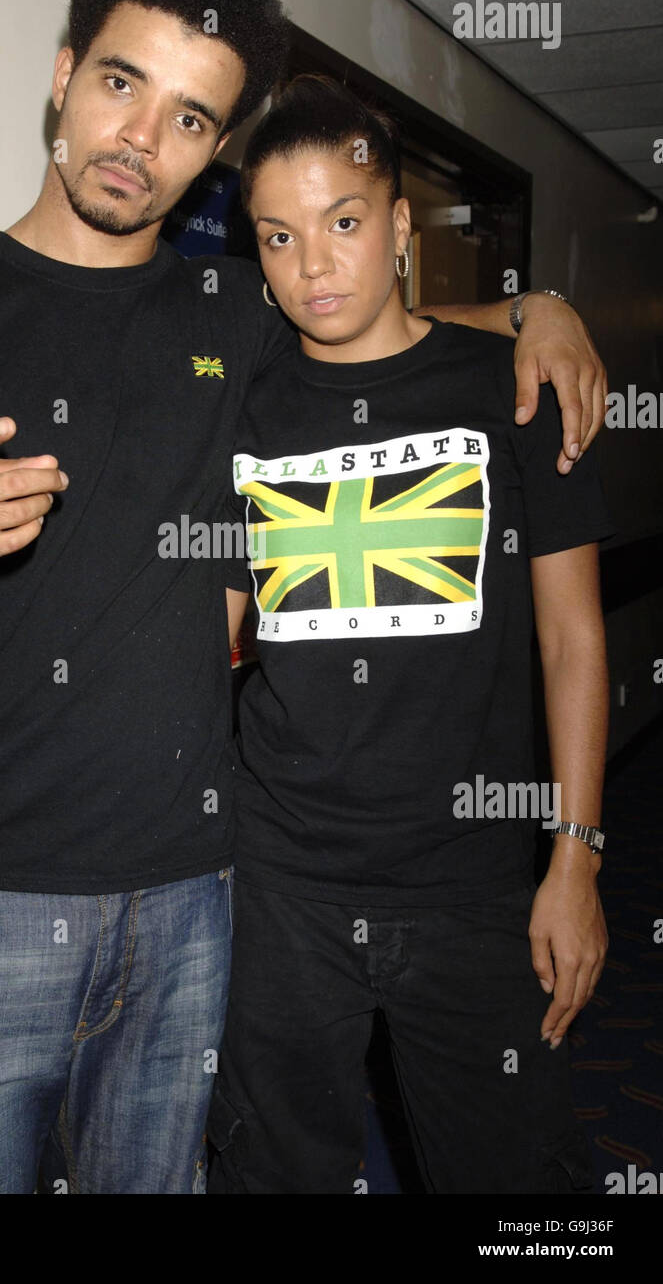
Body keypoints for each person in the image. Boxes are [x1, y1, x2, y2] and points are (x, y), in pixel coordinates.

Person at [0, 0, 606, 1195]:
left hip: (201, 906)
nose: (140, 139)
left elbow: (382, 325)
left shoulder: (237, 313)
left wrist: (542, 309)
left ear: (215, 150)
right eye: (120, 84)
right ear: (60, 76)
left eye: (191, 119)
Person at [209, 75, 612, 1195]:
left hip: (472, 887)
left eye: (343, 222)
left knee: (521, 1184)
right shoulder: (246, 404)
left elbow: (574, 643)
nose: (314, 265)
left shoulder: (513, 387)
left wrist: (576, 859)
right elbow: (213, 628)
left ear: (399, 226)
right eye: (279, 236)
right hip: (279, 881)